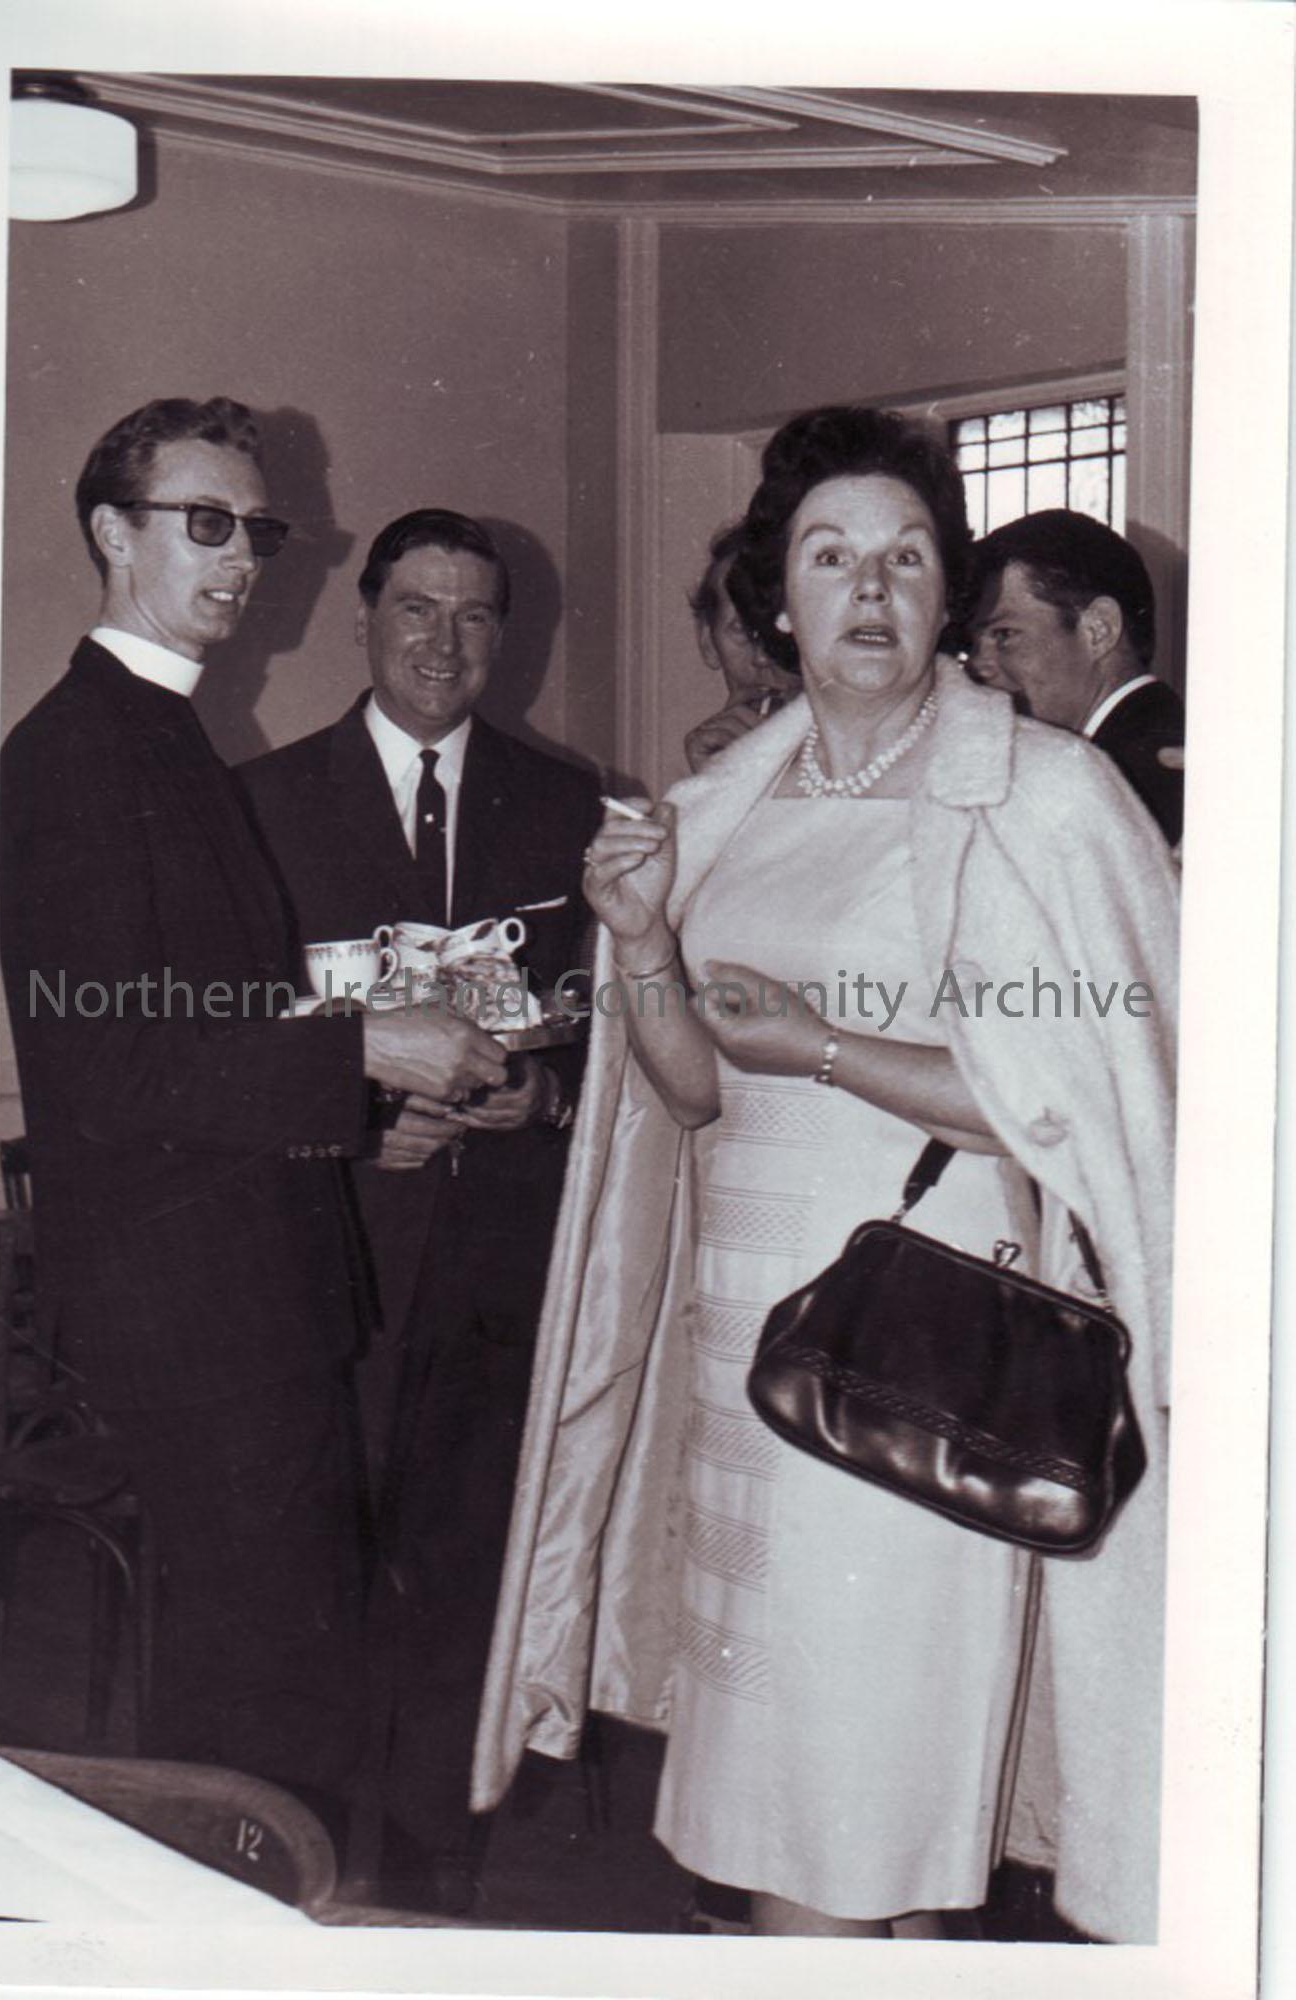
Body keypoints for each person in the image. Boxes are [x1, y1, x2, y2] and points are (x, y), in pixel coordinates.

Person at [473, 407, 1177, 1942]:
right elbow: (691, 1093)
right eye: (830, 556)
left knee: (838, 1822)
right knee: (839, 1830)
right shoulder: (727, 806)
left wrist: (826, 1048)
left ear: (946, 597)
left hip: (923, 1347)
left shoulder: (1043, 799)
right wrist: (642, 946)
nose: (870, 588)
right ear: (774, 601)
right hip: (753, 1358)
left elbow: (1087, 1106)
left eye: (907, 558)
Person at [0, 401, 507, 1853]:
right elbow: (112, 1059)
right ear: (114, 532)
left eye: (256, 532)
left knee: (277, 1671)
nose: (239, 559)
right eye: (204, 524)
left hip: (247, 1289)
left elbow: (206, 1017)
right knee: (255, 1695)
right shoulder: (79, 749)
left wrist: (351, 1096)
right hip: (193, 1312)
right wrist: (366, 1046)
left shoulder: (162, 728)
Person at [238, 508, 601, 1912]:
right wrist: (343, 1121)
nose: (444, 643)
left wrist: (546, 1098)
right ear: (365, 618)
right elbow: (230, 1038)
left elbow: (611, 1029)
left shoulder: (564, 804)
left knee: (465, 1576)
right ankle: (304, 1865)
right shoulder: (264, 804)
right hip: (330, 1252)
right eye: (416, 609)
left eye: (474, 616)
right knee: (316, 1578)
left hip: (502, 1260)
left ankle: (432, 1893)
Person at [965, 508, 1185, 844]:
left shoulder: (1144, 776)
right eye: (970, 646)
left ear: (1099, 629)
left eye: (1004, 634)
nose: (978, 666)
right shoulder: (1151, 752)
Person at [683, 522, 799, 773]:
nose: (762, 658)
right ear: (707, 641)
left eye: (780, 630)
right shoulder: (712, 753)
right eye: (742, 631)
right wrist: (714, 782)